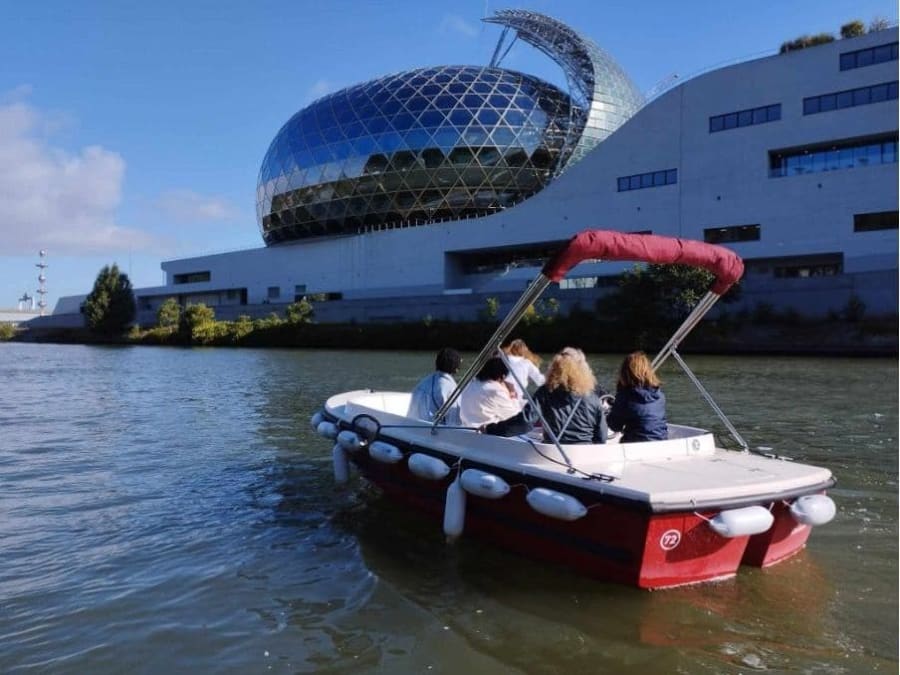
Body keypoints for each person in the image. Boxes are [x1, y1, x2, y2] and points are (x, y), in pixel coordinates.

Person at [533, 347, 607, 444]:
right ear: (584, 369)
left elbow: (527, 420)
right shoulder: (593, 398)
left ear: (554, 368)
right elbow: (601, 437)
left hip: (553, 450)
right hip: (584, 450)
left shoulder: (544, 393)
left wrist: (506, 428)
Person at [459, 356, 533, 436]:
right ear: (502, 376)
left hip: (466, 429)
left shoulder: (470, 384)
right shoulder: (496, 391)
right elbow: (515, 417)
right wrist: (512, 394)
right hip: (487, 433)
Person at [607, 351, 668, 443]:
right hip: (661, 443)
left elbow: (615, 426)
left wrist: (607, 414)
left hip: (635, 446)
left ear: (625, 372)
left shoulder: (625, 396)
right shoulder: (660, 396)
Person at [407, 347, 462, 425]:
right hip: (433, 433)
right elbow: (454, 423)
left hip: (412, 427)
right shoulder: (451, 389)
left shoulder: (422, 383)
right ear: (456, 369)